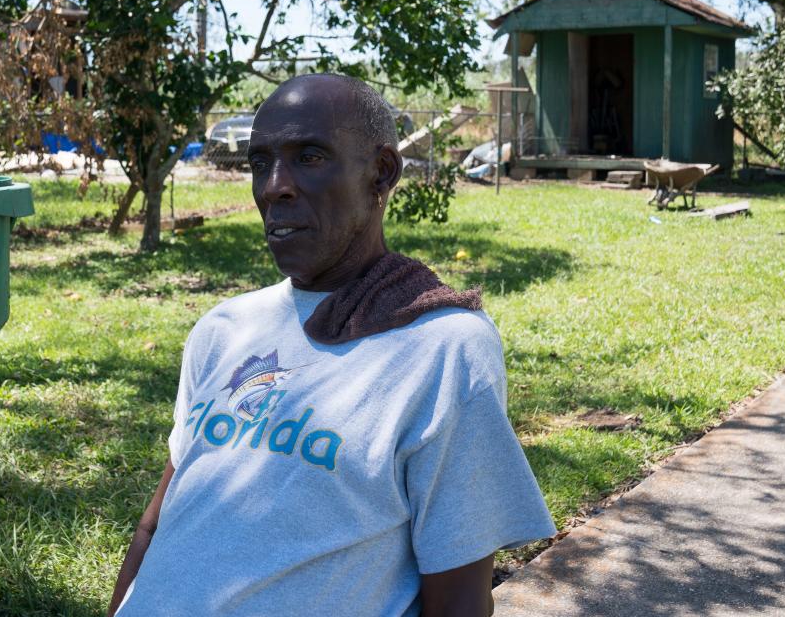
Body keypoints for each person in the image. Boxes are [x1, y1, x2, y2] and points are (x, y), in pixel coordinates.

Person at [108, 74, 556, 617]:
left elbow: (458, 595)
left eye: (310, 157)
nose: (275, 186)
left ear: (382, 173)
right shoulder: (224, 329)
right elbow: (159, 522)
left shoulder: (442, 347)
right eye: (260, 163)